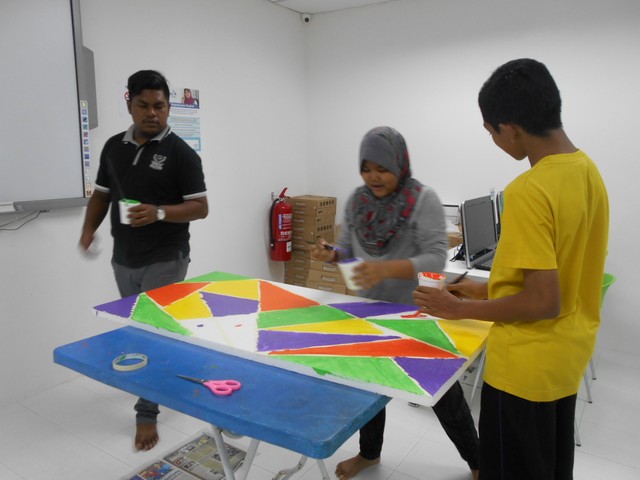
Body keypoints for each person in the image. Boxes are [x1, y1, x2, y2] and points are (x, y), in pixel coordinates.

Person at [412, 59, 609, 480]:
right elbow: (563, 277)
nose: (495, 141)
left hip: (523, 372)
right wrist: (484, 290)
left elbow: (542, 301)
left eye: (491, 132)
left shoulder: (529, 190)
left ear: (511, 128)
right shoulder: (587, 170)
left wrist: (457, 309)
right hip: (564, 361)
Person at [311, 126, 479, 480]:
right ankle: (369, 454)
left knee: (443, 395)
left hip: (420, 311)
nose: (374, 177)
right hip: (372, 310)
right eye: (366, 168)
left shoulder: (422, 199)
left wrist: (384, 267)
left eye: (382, 169)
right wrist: (333, 255)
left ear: (400, 165)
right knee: (370, 386)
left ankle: (479, 463)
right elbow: (350, 253)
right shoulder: (357, 201)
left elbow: (436, 258)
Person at [79, 70, 208, 452]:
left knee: (148, 333)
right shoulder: (113, 147)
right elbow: (102, 195)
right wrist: (88, 230)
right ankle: (171, 368)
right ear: (129, 104)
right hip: (124, 258)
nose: (152, 113)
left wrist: (160, 212)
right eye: (144, 105)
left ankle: (146, 412)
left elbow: (200, 207)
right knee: (145, 330)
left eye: (160, 106)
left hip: (167, 256)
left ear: (168, 107)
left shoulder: (182, 154)